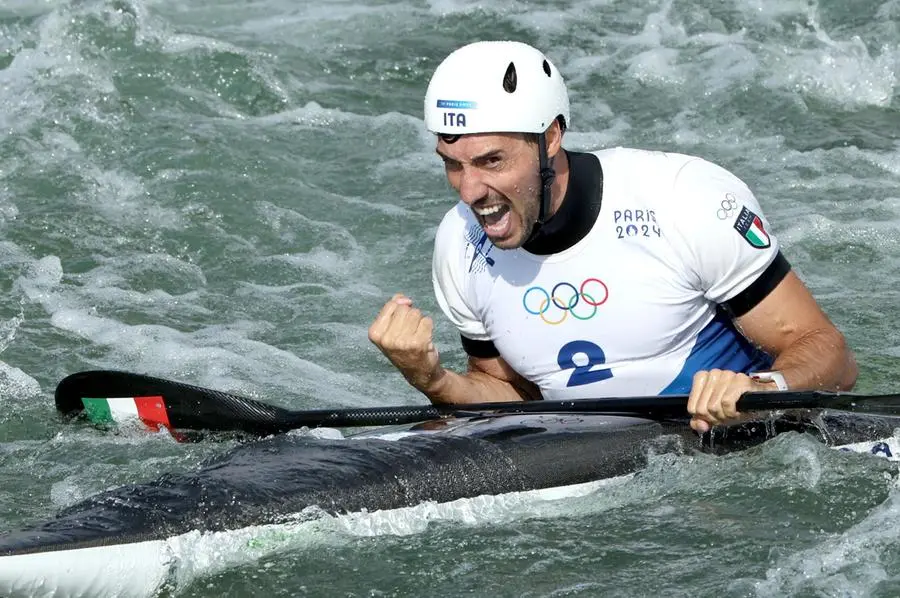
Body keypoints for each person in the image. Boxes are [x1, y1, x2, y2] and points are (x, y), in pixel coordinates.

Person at [368, 40, 857, 433]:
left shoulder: (681, 200)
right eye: (453, 165)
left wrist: (763, 390)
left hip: (732, 445)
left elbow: (831, 355)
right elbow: (513, 400)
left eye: (491, 161)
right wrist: (431, 379)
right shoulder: (459, 243)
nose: (471, 190)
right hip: (589, 457)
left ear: (550, 138)